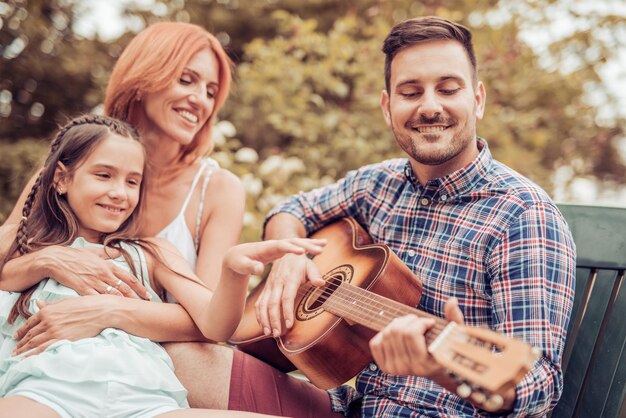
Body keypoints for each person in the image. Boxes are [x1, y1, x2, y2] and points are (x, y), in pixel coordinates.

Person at [166, 16, 577, 417]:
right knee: (179, 360)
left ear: (478, 99)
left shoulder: (523, 215)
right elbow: (290, 210)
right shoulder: (377, 184)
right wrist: (291, 257)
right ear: (388, 107)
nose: (430, 106)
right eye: (411, 92)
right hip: (353, 407)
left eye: (448, 89)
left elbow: (538, 383)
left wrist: (443, 370)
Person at [0, 114, 325, 417]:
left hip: (144, 401)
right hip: (47, 391)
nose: (119, 193)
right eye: (103, 175)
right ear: (61, 179)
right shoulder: (26, 245)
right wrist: (43, 261)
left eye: (132, 182)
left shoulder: (150, 251)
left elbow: (215, 325)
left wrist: (233, 272)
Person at [0, 22, 244, 361]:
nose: (199, 100)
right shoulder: (71, 164)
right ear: (144, 79)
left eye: (210, 91)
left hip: (158, 365)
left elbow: (211, 320)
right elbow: (7, 257)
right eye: (186, 80)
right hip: (49, 356)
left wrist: (104, 311)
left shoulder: (218, 189)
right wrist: (49, 259)